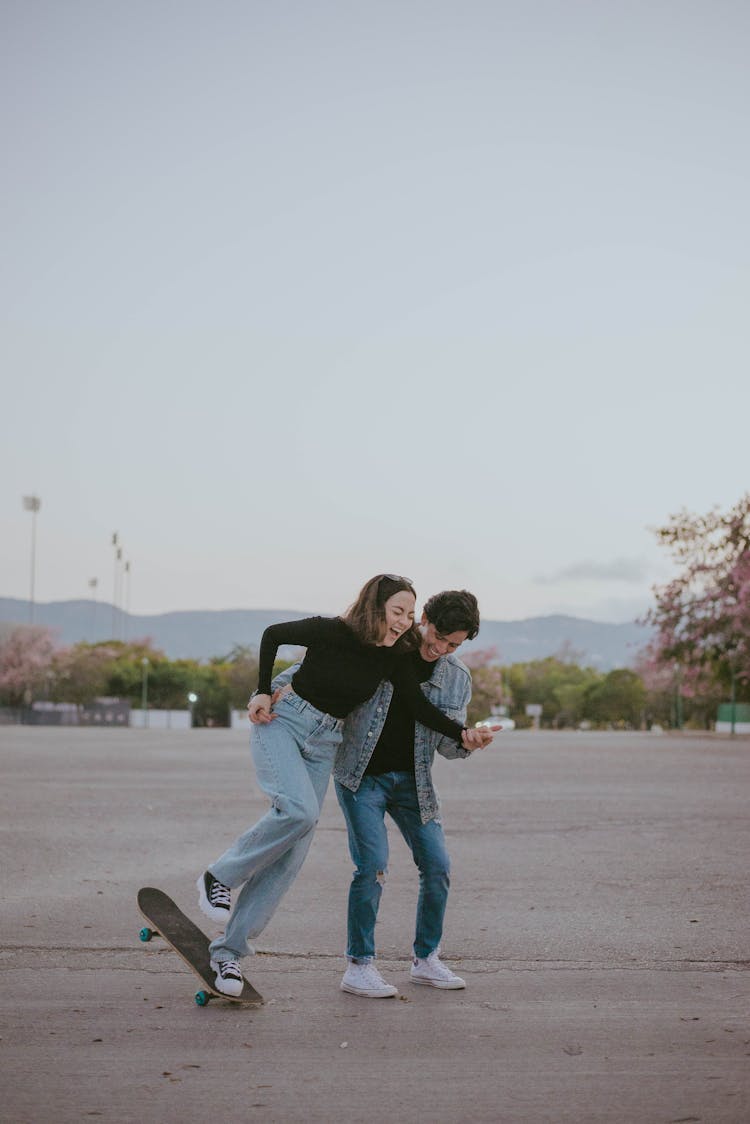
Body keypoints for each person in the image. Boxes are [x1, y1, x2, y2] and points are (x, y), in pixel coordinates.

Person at [196, 574, 488, 996]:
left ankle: (229, 954)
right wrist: (264, 691)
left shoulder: (404, 658)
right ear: (381, 609)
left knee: (292, 855)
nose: (405, 623)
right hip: (305, 735)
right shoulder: (336, 631)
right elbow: (285, 650)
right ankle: (219, 876)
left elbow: (419, 705)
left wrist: (464, 737)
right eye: (399, 613)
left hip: (337, 747)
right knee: (302, 815)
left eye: (408, 614)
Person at [272, 589, 496, 999]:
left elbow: (450, 743)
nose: (440, 649)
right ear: (422, 617)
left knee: (438, 866)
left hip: (415, 783)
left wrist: (471, 741)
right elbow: (314, 669)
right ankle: (359, 966)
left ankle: (426, 960)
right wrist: (275, 688)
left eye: (452, 645)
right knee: (372, 866)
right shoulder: (379, 643)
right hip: (361, 778)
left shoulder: (456, 676)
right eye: (438, 637)